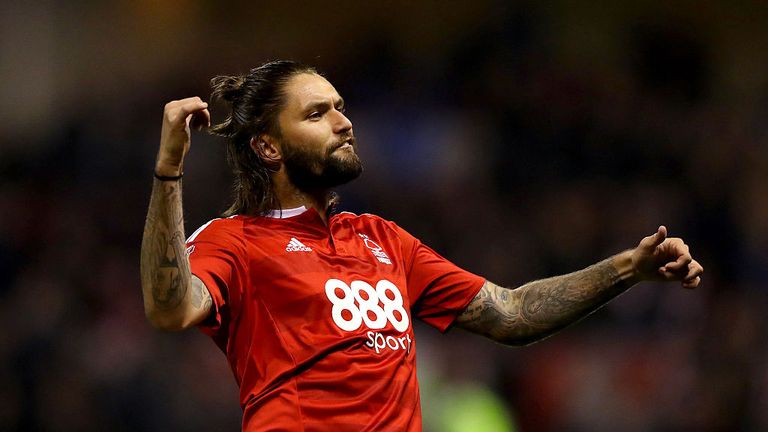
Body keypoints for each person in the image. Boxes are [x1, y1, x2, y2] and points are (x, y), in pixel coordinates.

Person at [139, 60, 703, 431]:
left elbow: (513, 313)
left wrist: (628, 268)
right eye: (318, 113)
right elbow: (170, 308)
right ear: (267, 147)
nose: (344, 122)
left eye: (339, 106)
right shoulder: (234, 241)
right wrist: (168, 173)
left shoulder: (383, 239)